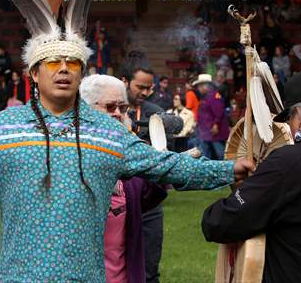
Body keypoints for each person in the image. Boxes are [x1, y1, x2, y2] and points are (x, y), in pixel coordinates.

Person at [0, 0, 253, 282]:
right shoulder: (3, 129)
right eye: (52, 62)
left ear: (82, 70)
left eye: (72, 63)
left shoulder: (109, 134)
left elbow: (170, 166)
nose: (62, 69)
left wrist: (227, 169)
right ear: (34, 73)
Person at [202, 68, 301, 282]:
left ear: (298, 115)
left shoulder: (290, 162)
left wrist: (249, 188)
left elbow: (219, 223)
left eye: (288, 118)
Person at [80, 74, 159, 283]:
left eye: (123, 108)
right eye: (110, 107)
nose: (117, 114)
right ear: (85, 109)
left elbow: (147, 196)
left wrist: (160, 154)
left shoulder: (128, 154)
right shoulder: (66, 154)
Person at [120, 53, 183, 283]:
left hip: (148, 204)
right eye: (140, 87)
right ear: (124, 81)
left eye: (149, 88)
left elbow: (170, 154)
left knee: (149, 271)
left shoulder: (155, 111)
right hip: (114, 202)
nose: (145, 92)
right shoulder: (111, 110)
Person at [194, 74, 230, 160]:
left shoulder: (214, 96)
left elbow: (219, 112)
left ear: (205, 86)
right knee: (207, 154)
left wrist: (216, 124)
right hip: (206, 132)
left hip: (214, 133)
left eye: (199, 86)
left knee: (220, 154)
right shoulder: (206, 97)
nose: (198, 89)